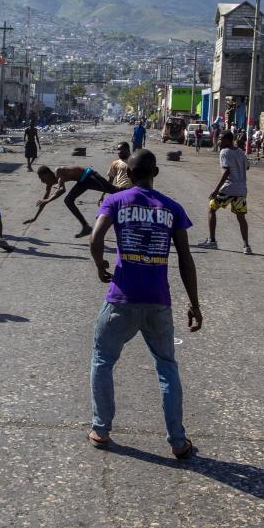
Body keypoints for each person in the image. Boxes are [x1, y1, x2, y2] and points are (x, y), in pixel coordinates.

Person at [87, 149, 201, 458]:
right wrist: (194, 303)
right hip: (158, 301)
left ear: (129, 173)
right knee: (166, 367)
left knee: (103, 360)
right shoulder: (172, 207)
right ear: (155, 173)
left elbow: (95, 239)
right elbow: (186, 259)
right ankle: (178, 441)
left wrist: (100, 266)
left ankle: (101, 429)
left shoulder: (115, 201)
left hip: (121, 298)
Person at [24, 164, 122, 238]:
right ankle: (86, 227)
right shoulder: (49, 184)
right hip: (82, 182)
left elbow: (62, 190)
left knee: (114, 191)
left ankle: (132, 190)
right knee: (68, 200)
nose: (42, 181)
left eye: (42, 178)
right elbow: (43, 201)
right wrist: (35, 217)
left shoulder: (58, 171)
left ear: (48, 174)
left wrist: (47, 200)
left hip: (90, 176)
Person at [198, 131, 251, 254]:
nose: (219, 141)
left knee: (211, 209)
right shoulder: (240, 152)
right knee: (241, 218)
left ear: (228, 140)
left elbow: (226, 172)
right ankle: (246, 246)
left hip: (228, 188)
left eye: (221, 139)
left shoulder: (224, 152)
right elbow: (247, 166)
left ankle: (212, 241)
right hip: (241, 189)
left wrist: (216, 190)